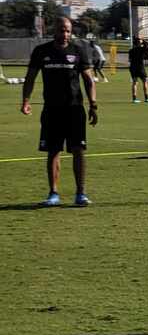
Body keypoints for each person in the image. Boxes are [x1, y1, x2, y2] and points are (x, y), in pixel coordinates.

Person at [21, 17, 98, 207]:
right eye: (61, 30)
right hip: (52, 110)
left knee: (78, 150)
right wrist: (26, 101)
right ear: (53, 30)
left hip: (74, 109)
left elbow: (89, 81)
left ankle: (81, 193)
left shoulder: (78, 51)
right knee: (53, 151)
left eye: (68, 31)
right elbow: (30, 77)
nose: (65, 34)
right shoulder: (41, 51)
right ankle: (53, 193)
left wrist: (93, 105)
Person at [128, 39, 148, 103]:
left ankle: (134, 99)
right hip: (140, 67)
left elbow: (129, 59)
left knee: (134, 83)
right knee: (145, 82)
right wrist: (144, 41)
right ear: (139, 43)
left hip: (132, 67)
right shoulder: (141, 49)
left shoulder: (131, 50)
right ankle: (147, 98)